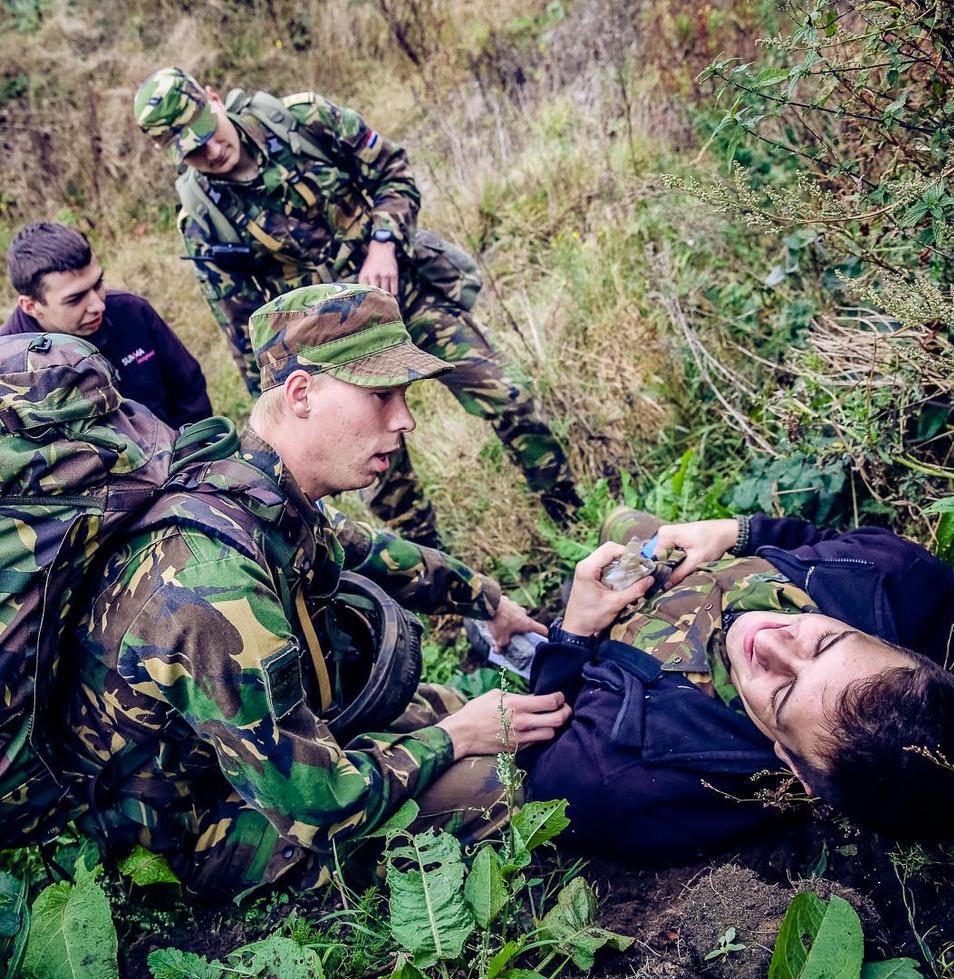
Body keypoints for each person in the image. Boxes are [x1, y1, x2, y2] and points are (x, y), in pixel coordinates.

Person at [60, 282, 570, 902]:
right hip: (191, 829)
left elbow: (378, 554)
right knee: (503, 782)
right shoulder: (211, 583)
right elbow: (322, 805)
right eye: (382, 395)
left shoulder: (256, 488)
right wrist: (456, 739)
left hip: (252, 759)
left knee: (452, 706)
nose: (404, 419)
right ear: (302, 394)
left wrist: (489, 603)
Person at [132, 66, 580, 548]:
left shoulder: (304, 121)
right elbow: (241, 325)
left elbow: (394, 172)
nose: (212, 152)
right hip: (333, 354)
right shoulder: (203, 218)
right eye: (193, 152)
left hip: (404, 299)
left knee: (505, 394)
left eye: (208, 134)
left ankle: (568, 513)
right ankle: (445, 589)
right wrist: (277, 405)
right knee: (381, 475)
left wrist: (383, 242)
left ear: (215, 99)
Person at [526, 507, 954, 857]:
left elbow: (540, 756)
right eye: (825, 643)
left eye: (781, 693)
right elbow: (825, 536)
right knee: (621, 520)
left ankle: (521, 634)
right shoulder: (901, 578)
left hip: (598, 643)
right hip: (677, 568)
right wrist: (738, 532)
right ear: (898, 648)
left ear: (790, 762)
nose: (769, 640)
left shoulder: (619, 775)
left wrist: (572, 632)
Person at [3, 222, 212, 429]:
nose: (98, 305)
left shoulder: (132, 311)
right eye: (75, 299)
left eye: (98, 283)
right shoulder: (8, 368)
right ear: (31, 306)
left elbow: (189, 390)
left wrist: (195, 449)